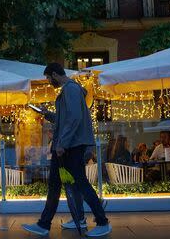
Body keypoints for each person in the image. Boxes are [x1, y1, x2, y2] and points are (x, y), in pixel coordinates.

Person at [22, 63, 110, 237]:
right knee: (55, 184)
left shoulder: (71, 89)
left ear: (55, 74)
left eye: (48, 78)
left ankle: (103, 222)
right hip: (65, 145)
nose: (48, 81)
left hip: (71, 145)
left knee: (80, 183)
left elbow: (74, 119)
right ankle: (44, 224)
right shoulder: (68, 90)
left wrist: (63, 143)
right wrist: (47, 114)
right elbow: (65, 119)